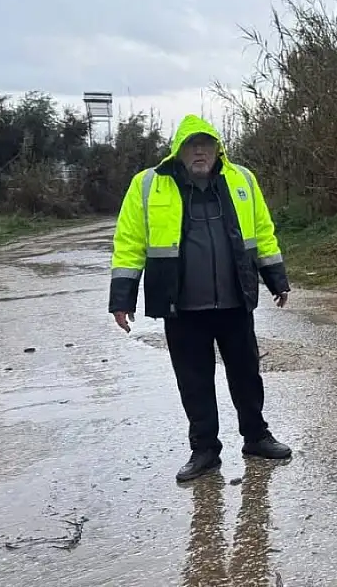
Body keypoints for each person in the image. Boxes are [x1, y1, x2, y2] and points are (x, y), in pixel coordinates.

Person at [109, 115, 293, 483]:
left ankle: (256, 436)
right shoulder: (148, 185)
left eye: (205, 144)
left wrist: (277, 279)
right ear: (179, 150)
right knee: (194, 381)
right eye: (191, 145)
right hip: (182, 306)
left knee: (246, 375)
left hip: (234, 302)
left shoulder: (241, 179)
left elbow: (262, 232)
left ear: (217, 149)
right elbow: (129, 243)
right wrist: (121, 298)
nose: (199, 152)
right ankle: (204, 450)